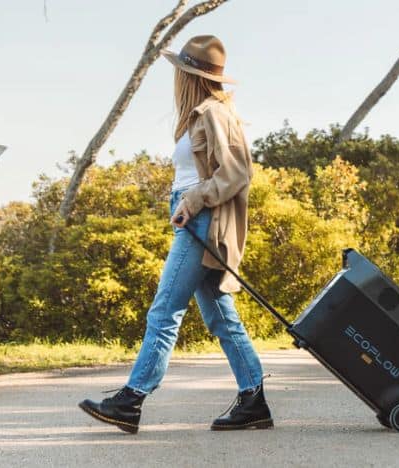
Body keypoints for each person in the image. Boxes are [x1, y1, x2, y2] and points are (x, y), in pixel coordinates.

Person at [78, 35, 272, 434]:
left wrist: (194, 199)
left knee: (165, 310)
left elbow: (237, 173)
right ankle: (253, 400)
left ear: (190, 76)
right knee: (220, 317)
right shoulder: (199, 115)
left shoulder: (216, 113)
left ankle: (131, 401)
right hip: (193, 215)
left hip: (202, 219)